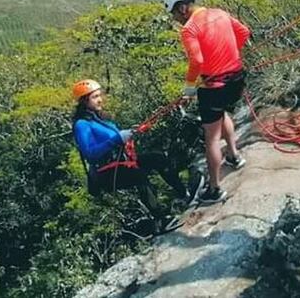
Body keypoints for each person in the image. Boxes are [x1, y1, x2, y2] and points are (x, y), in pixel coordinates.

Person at [71, 79, 203, 232]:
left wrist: (129, 133)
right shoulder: (82, 124)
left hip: (122, 162)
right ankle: (160, 220)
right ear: (84, 101)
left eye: (99, 95)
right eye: (94, 97)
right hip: (106, 173)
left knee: (157, 158)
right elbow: (90, 154)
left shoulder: (99, 118)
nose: (100, 99)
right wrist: (117, 139)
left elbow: (114, 138)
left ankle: (184, 194)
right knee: (137, 175)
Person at [163, 0, 250, 204]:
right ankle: (234, 155)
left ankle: (214, 188)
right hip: (237, 78)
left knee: (211, 137)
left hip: (215, 86)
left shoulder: (190, 29)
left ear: (182, 8)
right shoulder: (220, 13)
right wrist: (229, 53)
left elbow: (197, 61)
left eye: (174, 13)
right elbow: (244, 32)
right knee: (223, 115)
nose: (175, 19)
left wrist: (190, 88)